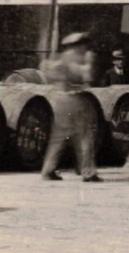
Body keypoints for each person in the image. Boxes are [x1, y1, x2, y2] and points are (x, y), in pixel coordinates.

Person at [39, 32, 101, 183]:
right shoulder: (82, 57)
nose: (86, 46)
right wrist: (88, 66)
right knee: (85, 136)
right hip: (75, 98)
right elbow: (87, 78)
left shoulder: (61, 58)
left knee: (58, 137)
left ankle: (48, 170)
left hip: (59, 99)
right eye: (84, 43)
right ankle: (88, 172)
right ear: (80, 44)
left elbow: (48, 75)